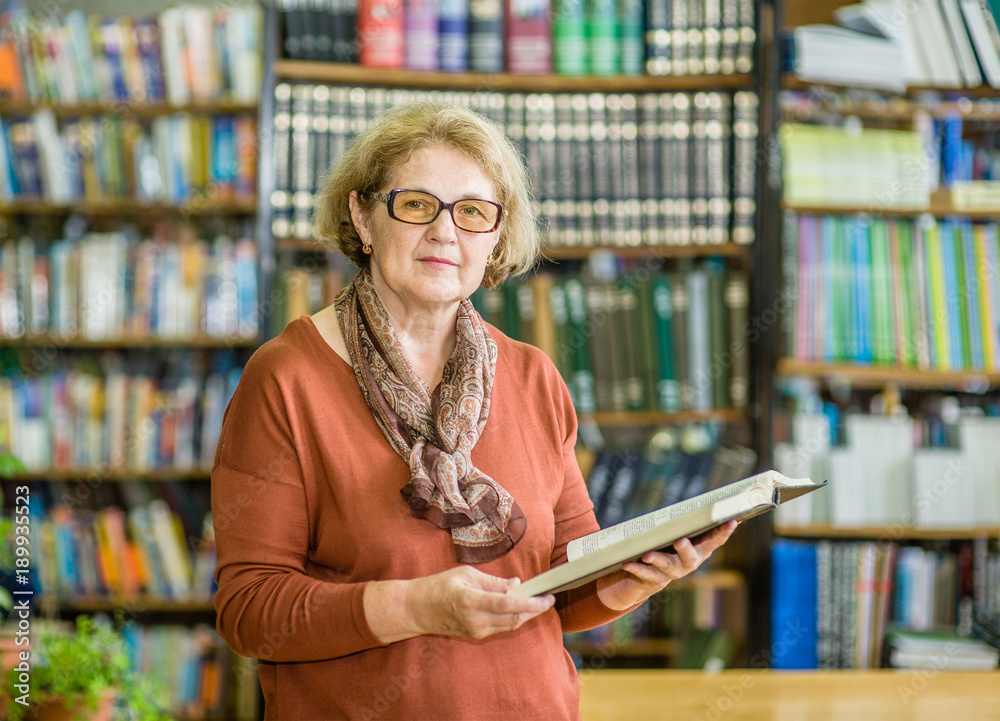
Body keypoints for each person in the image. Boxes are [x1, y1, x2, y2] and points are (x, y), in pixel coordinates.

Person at [211, 102, 736, 721]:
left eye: (473, 212)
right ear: (363, 216)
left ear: (496, 237)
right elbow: (251, 611)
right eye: (415, 204)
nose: (445, 232)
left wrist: (639, 575)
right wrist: (417, 607)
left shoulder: (533, 376)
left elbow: (564, 589)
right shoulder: (287, 378)